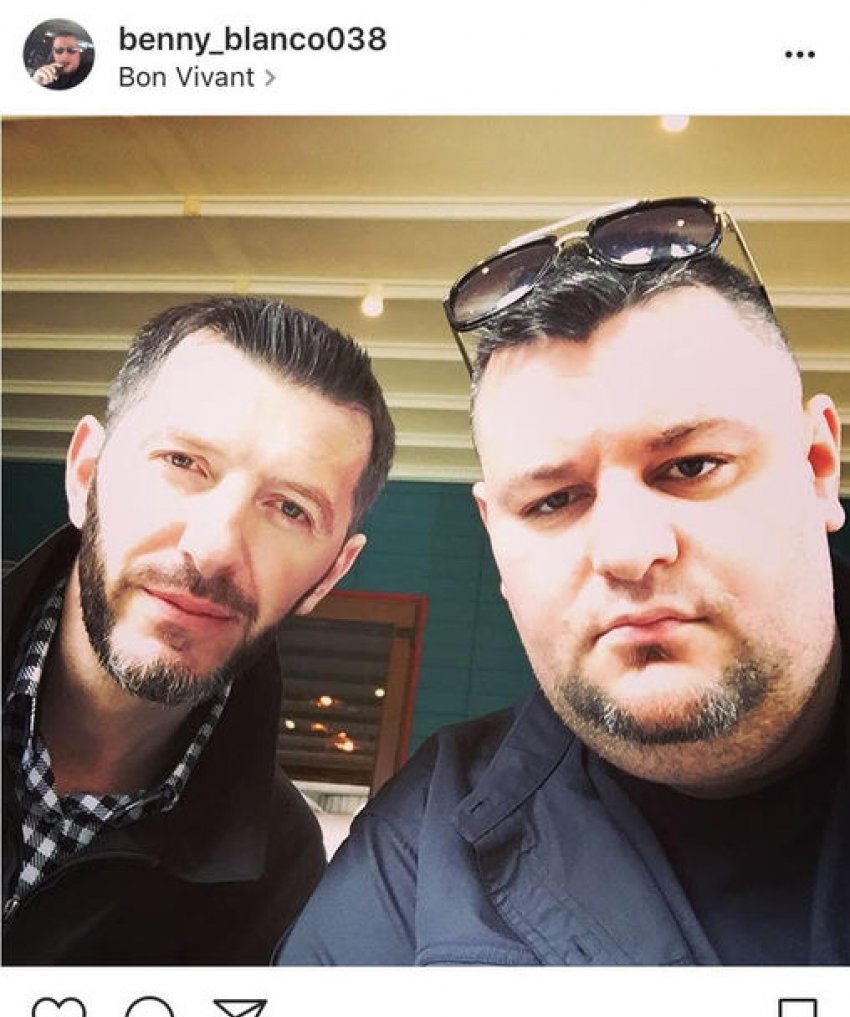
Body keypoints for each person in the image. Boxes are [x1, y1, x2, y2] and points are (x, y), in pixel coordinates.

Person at [278, 197, 849, 966]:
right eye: (553, 501)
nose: (626, 551)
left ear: (817, 468)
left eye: (690, 466)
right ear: (497, 538)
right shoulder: (410, 869)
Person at [2, 296, 395, 964]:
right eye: (182, 462)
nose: (213, 549)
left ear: (329, 573)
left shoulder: (282, 875)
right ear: (86, 473)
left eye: (290, 509)